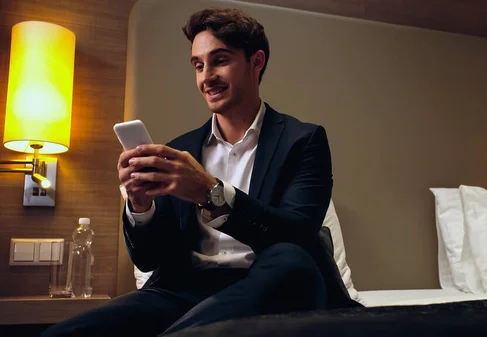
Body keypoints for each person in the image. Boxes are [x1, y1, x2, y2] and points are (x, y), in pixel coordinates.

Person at [43, 7, 356, 337]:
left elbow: (297, 236)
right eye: (198, 65)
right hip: (183, 292)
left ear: (256, 61)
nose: (206, 76)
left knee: (293, 261)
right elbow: (148, 259)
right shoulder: (181, 150)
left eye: (220, 60)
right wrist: (139, 206)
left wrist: (211, 193)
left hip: (268, 283)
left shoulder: (303, 141)